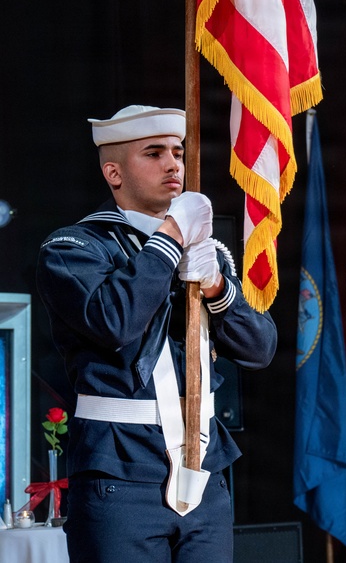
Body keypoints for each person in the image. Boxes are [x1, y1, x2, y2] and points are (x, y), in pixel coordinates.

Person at [36, 105, 278, 562]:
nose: (173, 165)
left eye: (178, 153)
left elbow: (259, 348)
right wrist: (168, 239)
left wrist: (217, 287)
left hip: (204, 468)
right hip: (120, 470)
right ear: (114, 172)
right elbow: (115, 323)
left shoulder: (206, 255)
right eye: (154, 153)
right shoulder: (73, 247)